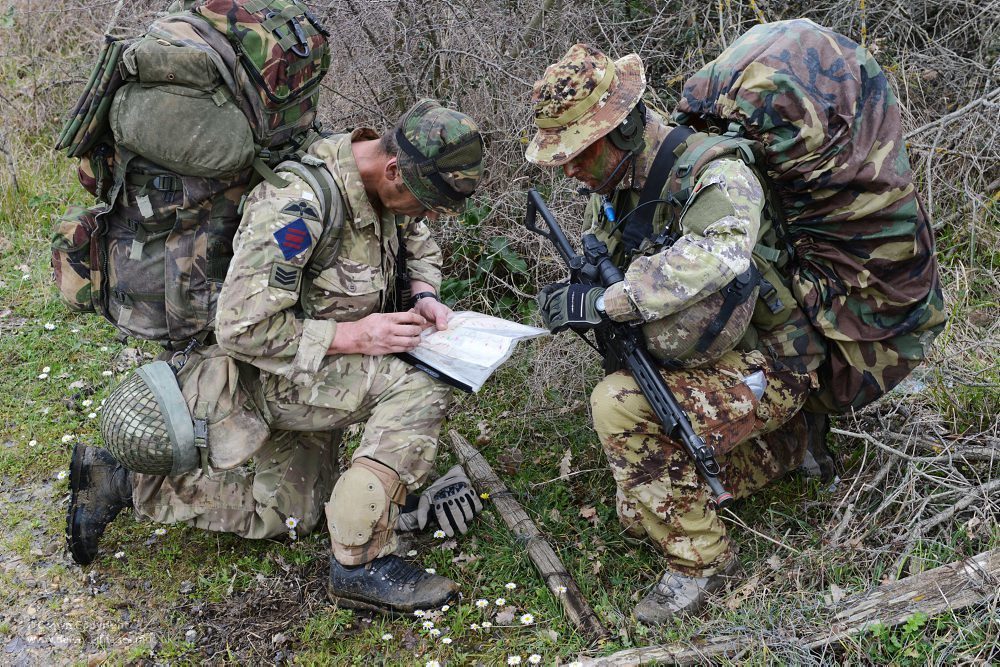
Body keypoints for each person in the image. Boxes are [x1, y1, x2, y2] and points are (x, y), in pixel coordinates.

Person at [67, 99, 487, 614]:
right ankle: (361, 564)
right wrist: (357, 336)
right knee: (419, 385)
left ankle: (121, 480)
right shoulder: (296, 208)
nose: (425, 216)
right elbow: (242, 328)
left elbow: (416, 236)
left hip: (320, 369)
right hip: (266, 375)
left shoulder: (389, 185)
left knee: (292, 514)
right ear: (394, 168)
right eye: (424, 202)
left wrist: (423, 294)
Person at [526, 44, 835, 624]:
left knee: (616, 409)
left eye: (576, 153)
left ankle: (703, 563)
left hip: (774, 362)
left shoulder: (714, 170)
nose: (567, 169)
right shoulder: (616, 190)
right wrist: (574, 297)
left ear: (620, 132)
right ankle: (792, 448)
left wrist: (611, 300)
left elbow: (718, 251)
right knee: (635, 508)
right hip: (708, 357)